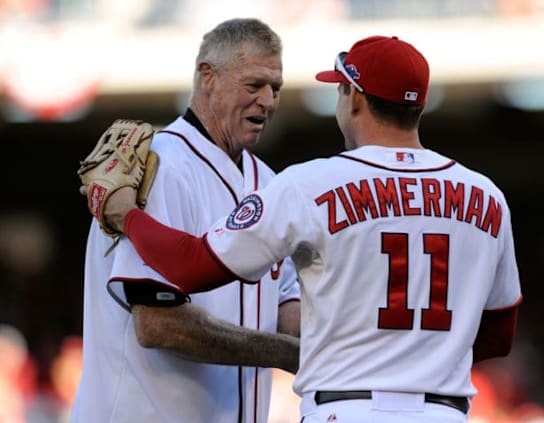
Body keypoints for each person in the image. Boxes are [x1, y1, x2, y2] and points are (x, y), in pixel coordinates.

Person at [91, 35, 522, 422]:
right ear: (418, 107)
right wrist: (417, 356)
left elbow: (190, 267)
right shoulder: (487, 195)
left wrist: (126, 215)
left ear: (353, 97)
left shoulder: (310, 183)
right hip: (443, 413)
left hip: (346, 407)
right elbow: (498, 336)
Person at [71, 18, 301, 423]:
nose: (268, 100)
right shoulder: (161, 166)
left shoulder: (270, 183)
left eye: (275, 88)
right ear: (207, 77)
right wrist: (287, 353)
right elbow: (158, 324)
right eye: (253, 85)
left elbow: (288, 306)